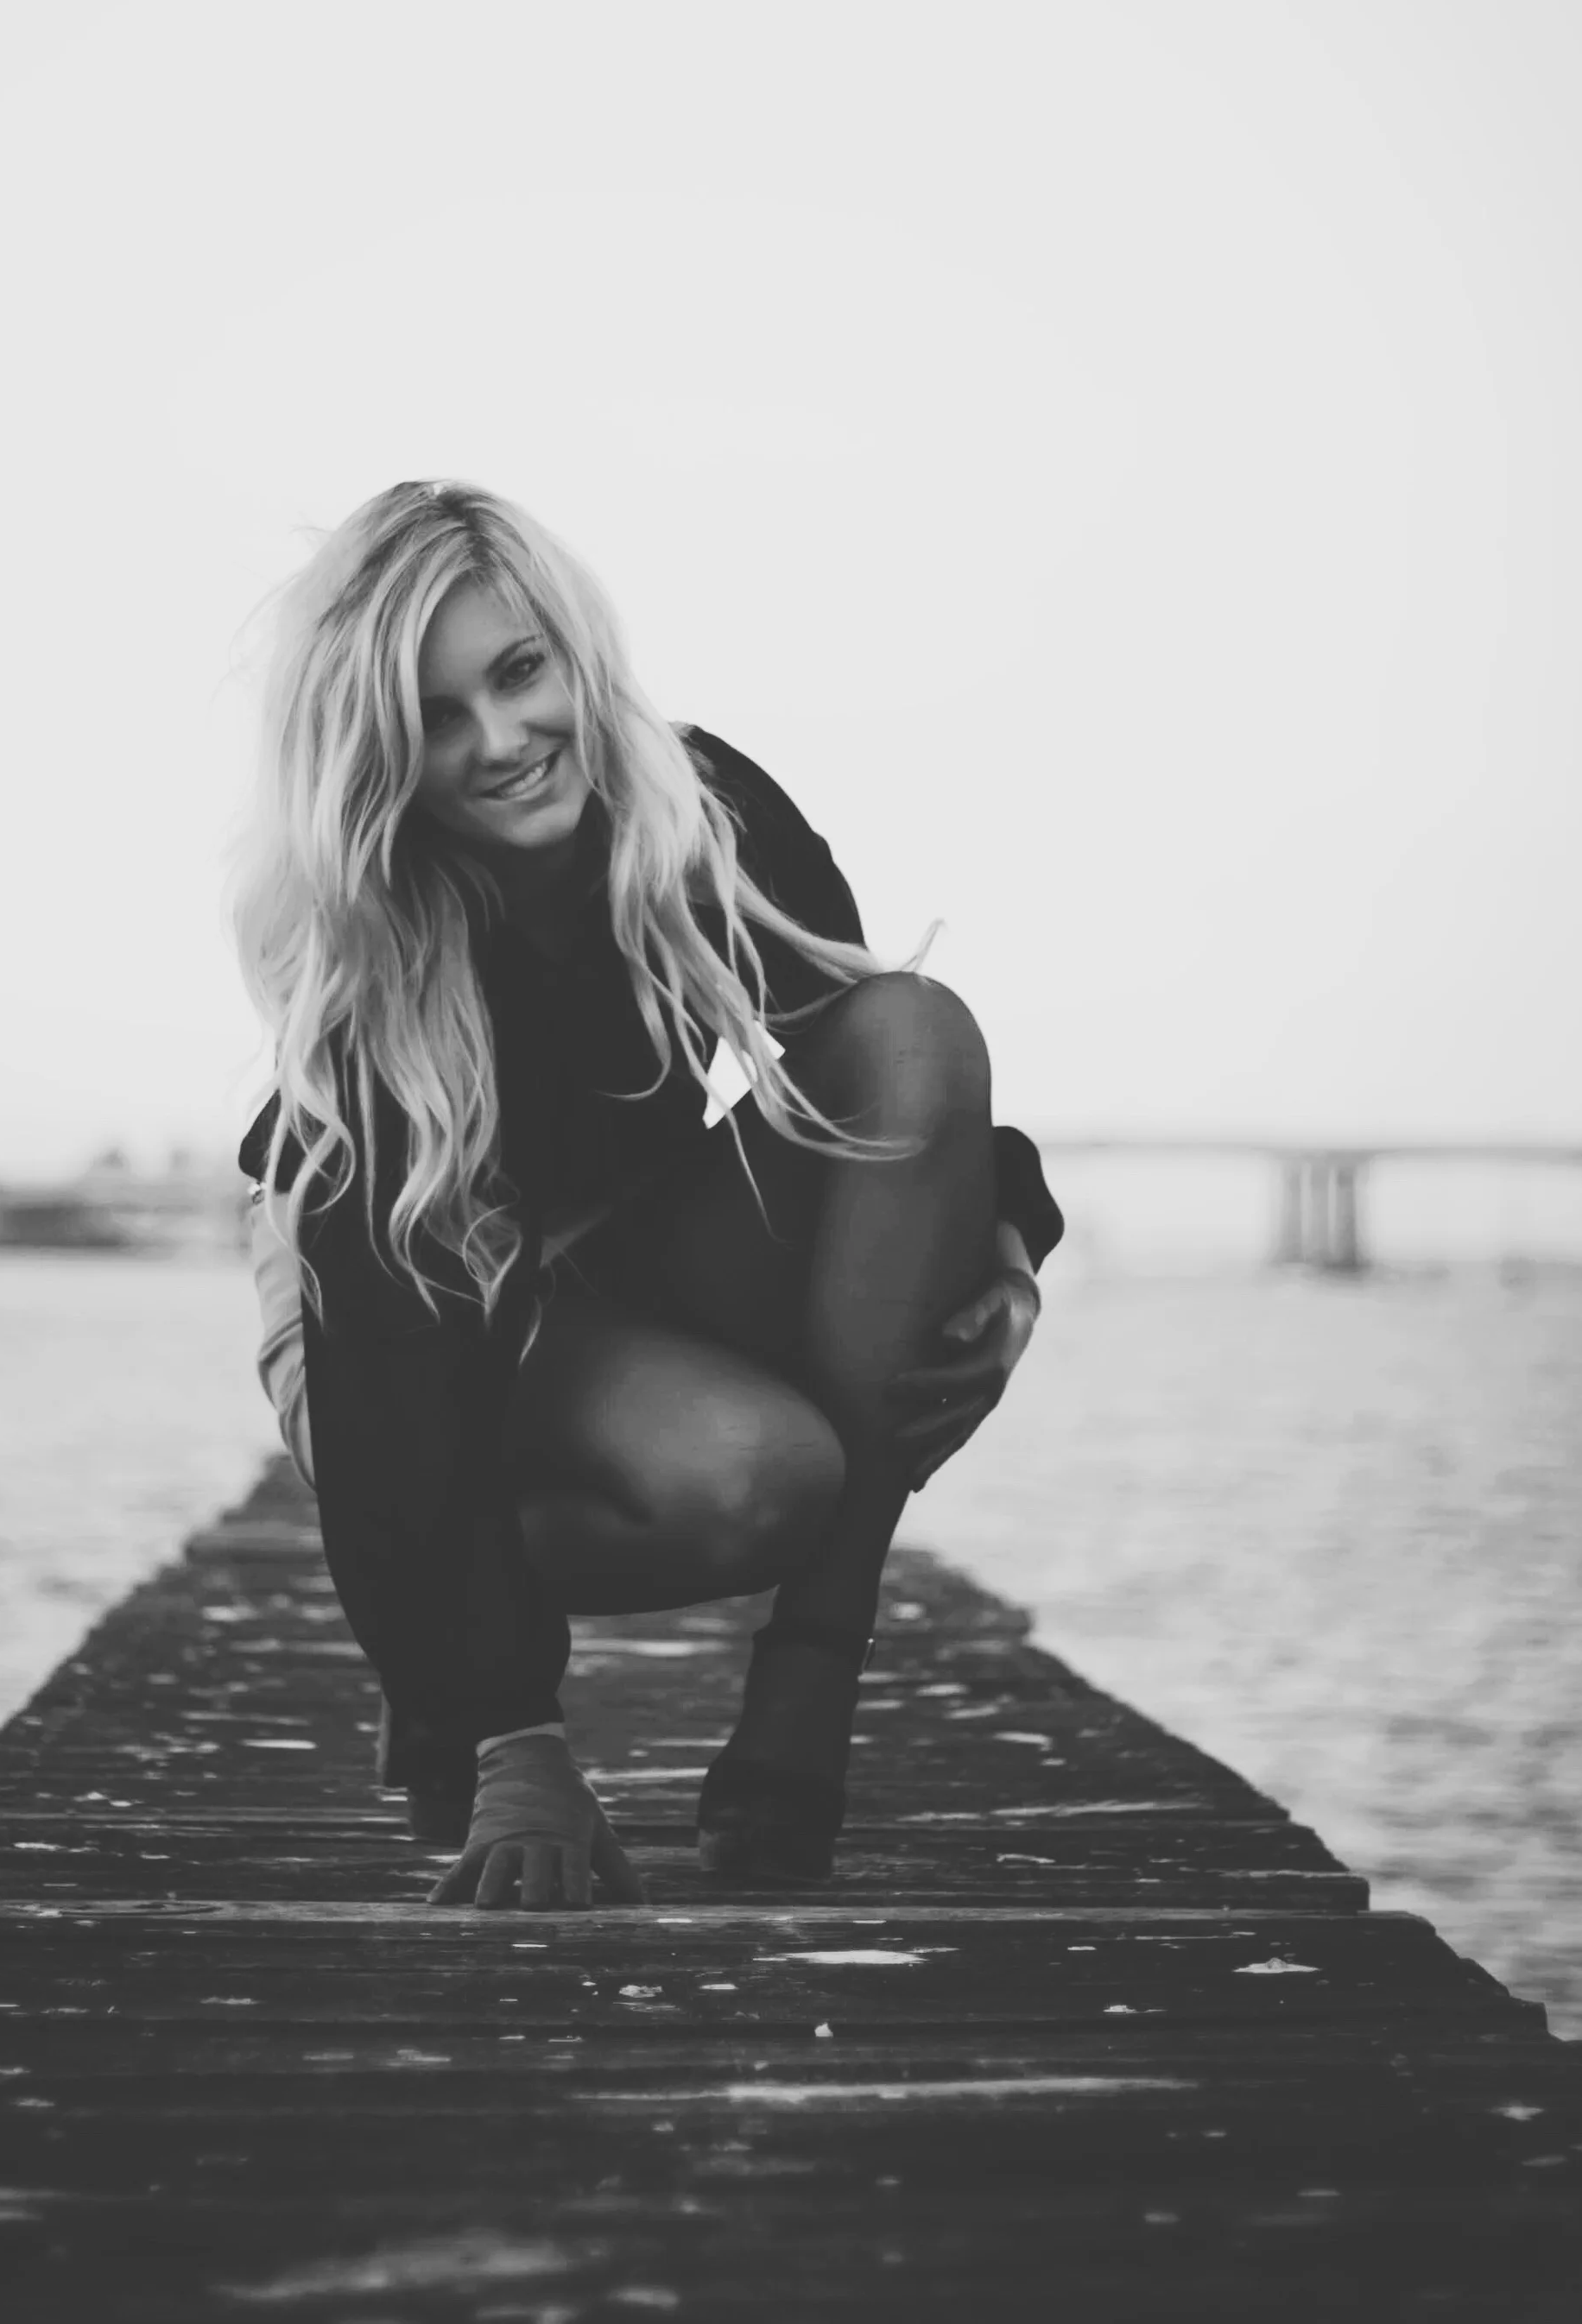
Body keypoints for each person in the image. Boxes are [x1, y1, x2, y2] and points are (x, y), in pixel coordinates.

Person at [231, 480, 1061, 1913]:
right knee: (748, 1472)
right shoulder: (384, 959)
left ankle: (813, 1672)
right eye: (437, 717)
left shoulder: (697, 806)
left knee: (922, 1022)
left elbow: (878, 1081)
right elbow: (399, 1375)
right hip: (382, 1321)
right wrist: (506, 1732)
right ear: (382, 752)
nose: (501, 741)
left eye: (517, 673)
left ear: (572, 649)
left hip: (604, 1259)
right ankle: (432, 1647)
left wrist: (1004, 1241)